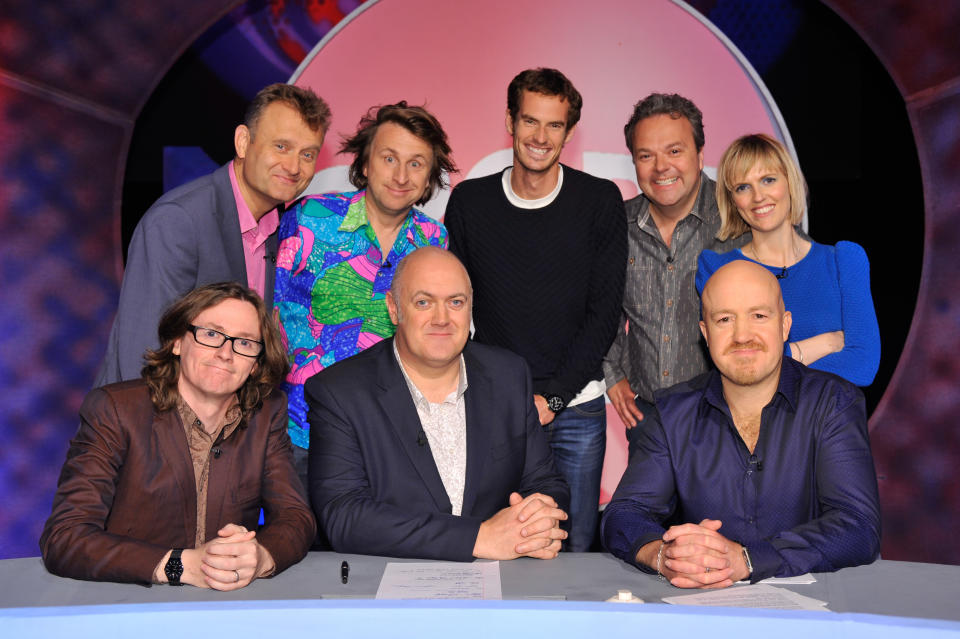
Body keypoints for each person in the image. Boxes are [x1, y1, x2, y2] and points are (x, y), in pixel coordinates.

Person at [601, 260, 880, 586]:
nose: (742, 335)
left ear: (785, 326)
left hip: (819, 609)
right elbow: (623, 514)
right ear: (705, 333)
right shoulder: (671, 412)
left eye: (759, 316)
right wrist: (664, 555)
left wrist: (748, 559)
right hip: (705, 608)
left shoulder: (833, 402)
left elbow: (858, 525)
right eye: (724, 319)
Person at [444, 68, 626, 551]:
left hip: (577, 408)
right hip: (495, 408)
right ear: (509, 120)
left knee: (575, 548)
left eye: (554, 126)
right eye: (530, 121)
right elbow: (458, 311)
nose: (540, 137)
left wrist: (555, 400)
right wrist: (507, 399)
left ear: (569, 131)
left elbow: (604, 313)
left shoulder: (599, 200)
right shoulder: (470, 202)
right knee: (495, 547)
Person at [41, 282, 315, 588]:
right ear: (177, 342)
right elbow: (65, 538)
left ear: (254, 365)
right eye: (211, 334)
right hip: (128, 608)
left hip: (226, 612)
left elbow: (296, 518)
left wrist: (260, 556)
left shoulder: (266, 414)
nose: (226, 353)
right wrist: (181, 564)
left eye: (245, 343)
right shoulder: (115, 410)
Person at [306, 247, 569, 561]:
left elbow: (545, 483)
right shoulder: (340, 392)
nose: (442, 319)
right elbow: (344, 516)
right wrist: (478, 538)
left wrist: (536, 521)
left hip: (501, 581)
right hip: (386, 587)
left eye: (455, 302)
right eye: (423, 302)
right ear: (394, 308)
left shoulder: (509, 375)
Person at [95, 83, 331, 386]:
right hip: (150, 426)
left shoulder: (283, 231)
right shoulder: (179, 221)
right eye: (281, 147)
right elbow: (144, 358)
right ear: (244, 142)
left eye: (308, 154)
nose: (294, 166)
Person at [274, 102, 453, 465]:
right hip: (302, 430)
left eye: (416, 164)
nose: (401, 175)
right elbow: (269, 311)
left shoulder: (433, 240)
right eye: (389, 158)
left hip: (390, 438)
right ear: (366, 163)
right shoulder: (309, 218)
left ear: (429, 178)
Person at [602, 93, 746, 453]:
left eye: (674, 151)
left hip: (728, 416)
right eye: (646, 156)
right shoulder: (615, 224)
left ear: (700, 156)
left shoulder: (738, 219)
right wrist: (613, 373)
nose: (660, 167)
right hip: (648, 417)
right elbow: (600, 304)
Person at [696, 133, 880, 386]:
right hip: (758, 424)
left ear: (789, 182)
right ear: (733, 200)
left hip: (834, 423)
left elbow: (862, 366)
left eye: (768, 180)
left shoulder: (844, 262)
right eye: (743, 187)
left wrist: (783, 359)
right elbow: (739, 367)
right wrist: (824, 344)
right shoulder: (718, 270)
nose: (758, 196)